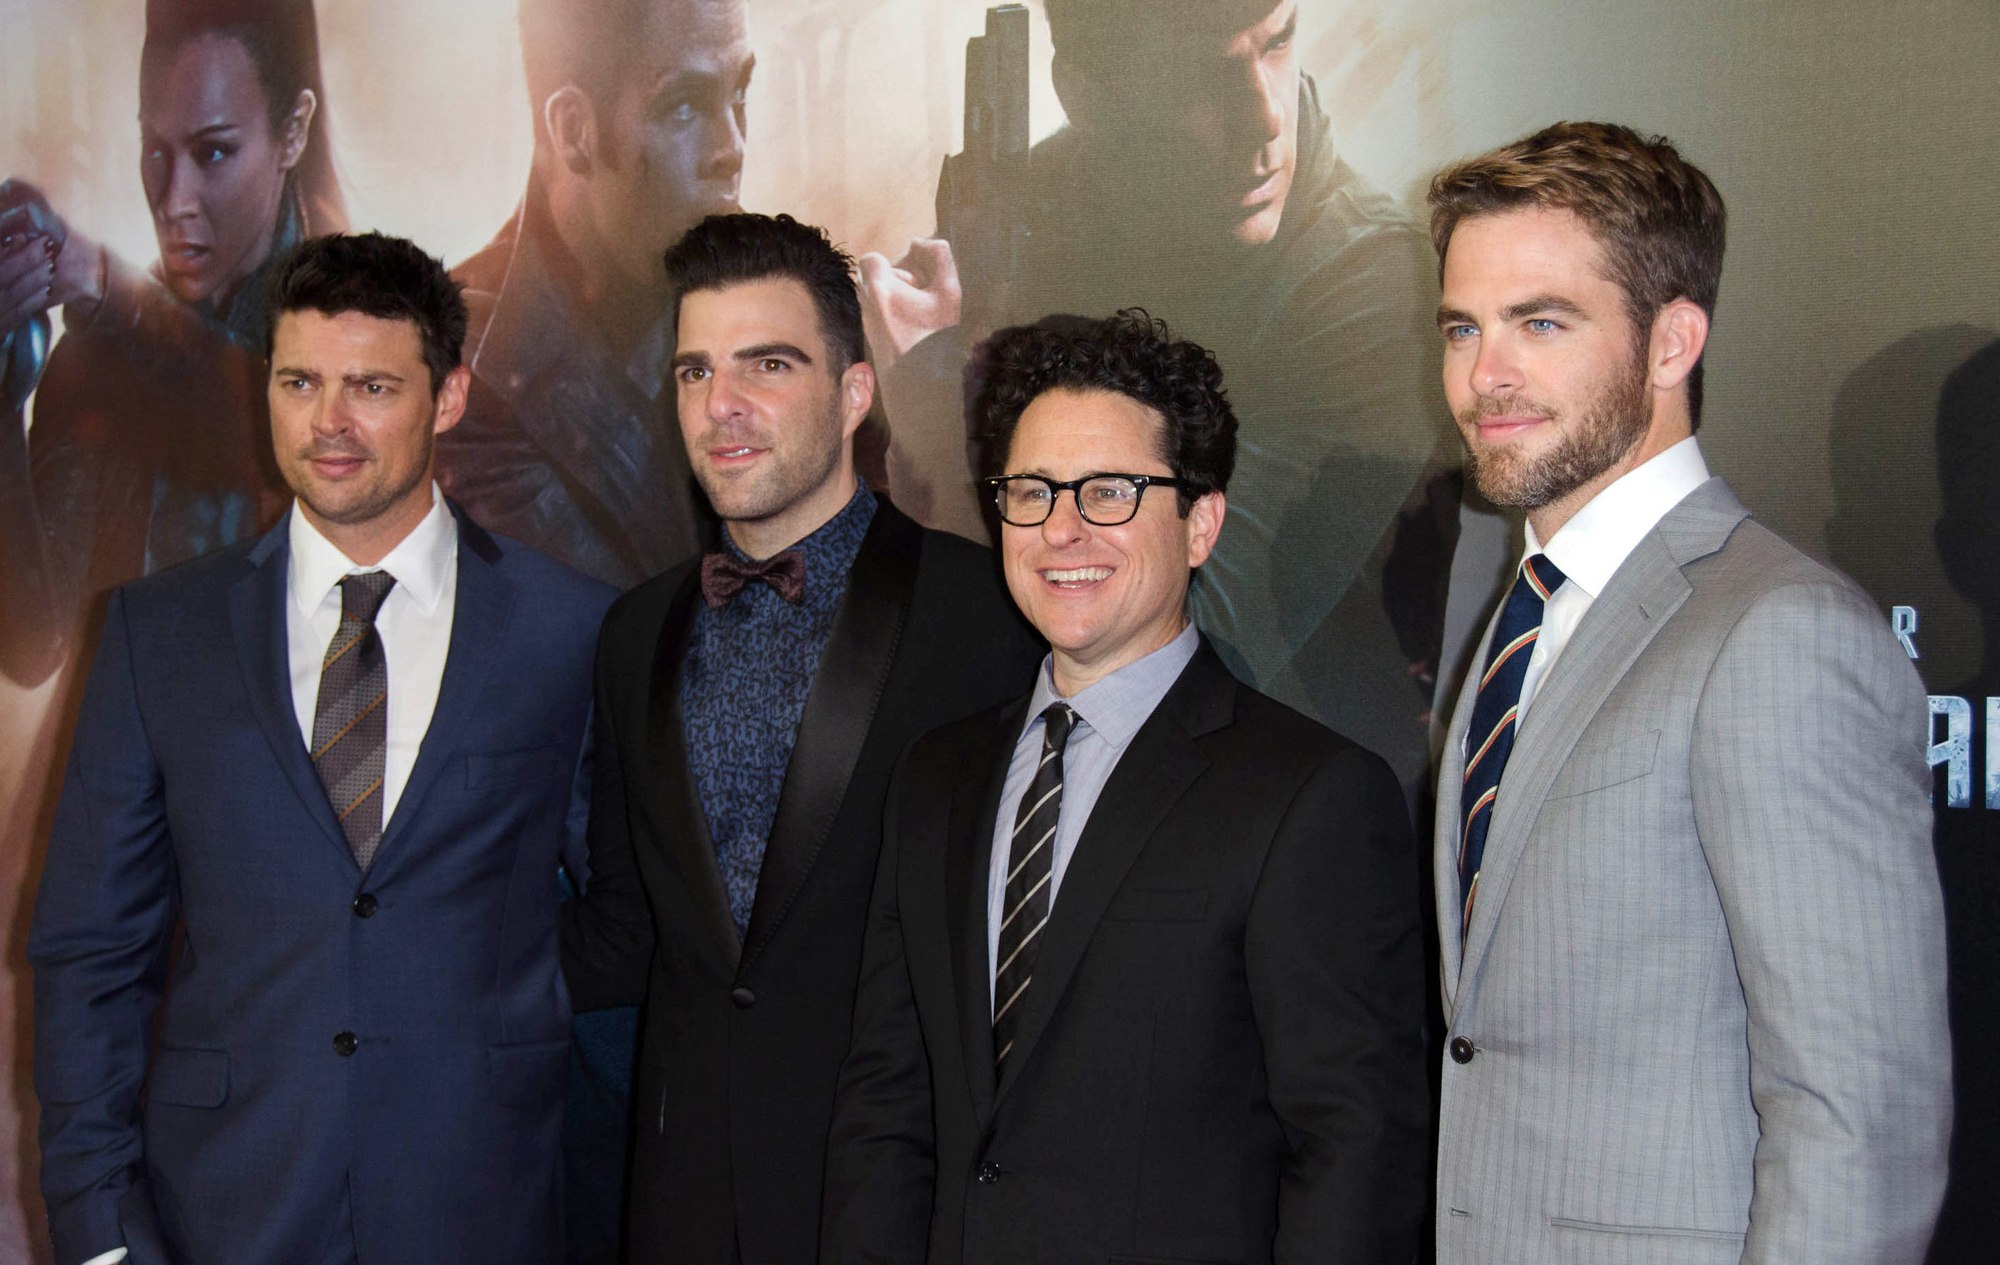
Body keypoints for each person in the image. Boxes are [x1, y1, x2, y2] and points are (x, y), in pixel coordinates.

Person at [29, 232, 614, 1265]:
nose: (327, 421)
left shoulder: (568, 630)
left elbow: (626, 930)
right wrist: (100, 1235)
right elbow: (92, 954)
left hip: (485, 1203)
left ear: (448, 397)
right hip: (223, 1211)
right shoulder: (156, 633)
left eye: (371, 386)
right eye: (298, 381)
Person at [1425, 121, 1951, 1264]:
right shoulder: (1520, 617)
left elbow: (1858, 1115)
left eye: (1540, 322)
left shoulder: (1777, 632)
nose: (1484, 374)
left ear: (1670, 341)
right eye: (1462, 326)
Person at [821, 310, 1429, 1264]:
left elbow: (1355, 1153)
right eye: (1031, 491)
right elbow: (886, 1106)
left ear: (1202, 524)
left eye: (1110, 491)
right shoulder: (936, 778)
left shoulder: (1313, 798)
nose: (1061, 528)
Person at [557, 212, 1040, 1265]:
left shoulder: (987, 616)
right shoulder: (633, 632)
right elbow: (626, 928)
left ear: (855, 392)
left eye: (766, 365)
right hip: (682, 1199)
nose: (720, 405)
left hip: (898, 1198)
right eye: (694, 371)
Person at [863, 0, 1452, 789]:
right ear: (1087, 97)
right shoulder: (1046, 201)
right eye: (1202, 76)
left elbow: (1175, 636)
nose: (1265, 119)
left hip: (1277, 799)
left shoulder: (1380, 290)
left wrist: (938, 419)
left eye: (1278, 42)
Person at [0, 0, 347, 686]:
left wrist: (107, 288)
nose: (172, 198)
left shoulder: (369, 319)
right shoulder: (104, 346)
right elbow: (33, 645)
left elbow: (276, 442)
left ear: (293, 132)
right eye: (154, 150)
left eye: (213, 151)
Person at [436, 0, 755, 588]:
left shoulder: (763, 302)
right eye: (683, 106)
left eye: (738, 95)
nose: (731, 148)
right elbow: (620, 633)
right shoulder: (461, 377)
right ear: (574, 132)